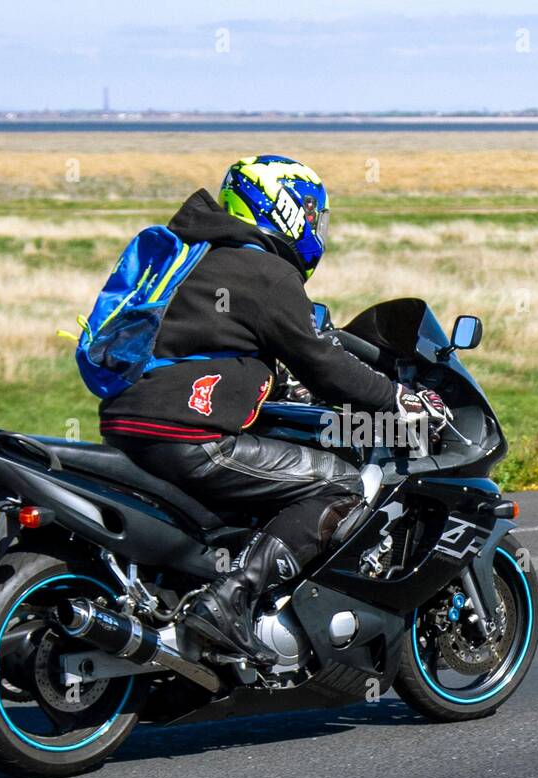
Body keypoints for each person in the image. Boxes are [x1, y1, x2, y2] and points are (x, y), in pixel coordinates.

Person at [99, 155, 441, 666]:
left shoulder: (197, 257)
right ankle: (229, 603)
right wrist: (398, 399)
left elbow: (211, 344)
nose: (312, 225)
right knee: (341, 485)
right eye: (309, 212)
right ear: (282, 206)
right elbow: (324, 364)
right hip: (191, 437)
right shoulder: (265, 270)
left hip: (126, 426)